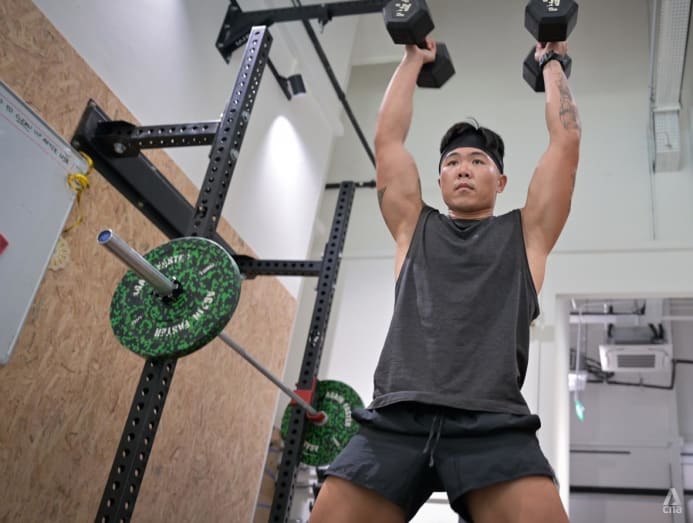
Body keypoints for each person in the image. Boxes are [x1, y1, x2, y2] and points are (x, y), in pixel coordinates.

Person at [310, 36, 580, 523]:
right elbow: (388, 141)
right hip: (397, 416)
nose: (463, 170)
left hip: (492, 421)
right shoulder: (413, 227)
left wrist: (552, 63)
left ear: (500, 181)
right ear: (438, 181)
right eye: (452, 163)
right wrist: (413, 58)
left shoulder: (527, 235)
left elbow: (566, 144)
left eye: (478, 161)